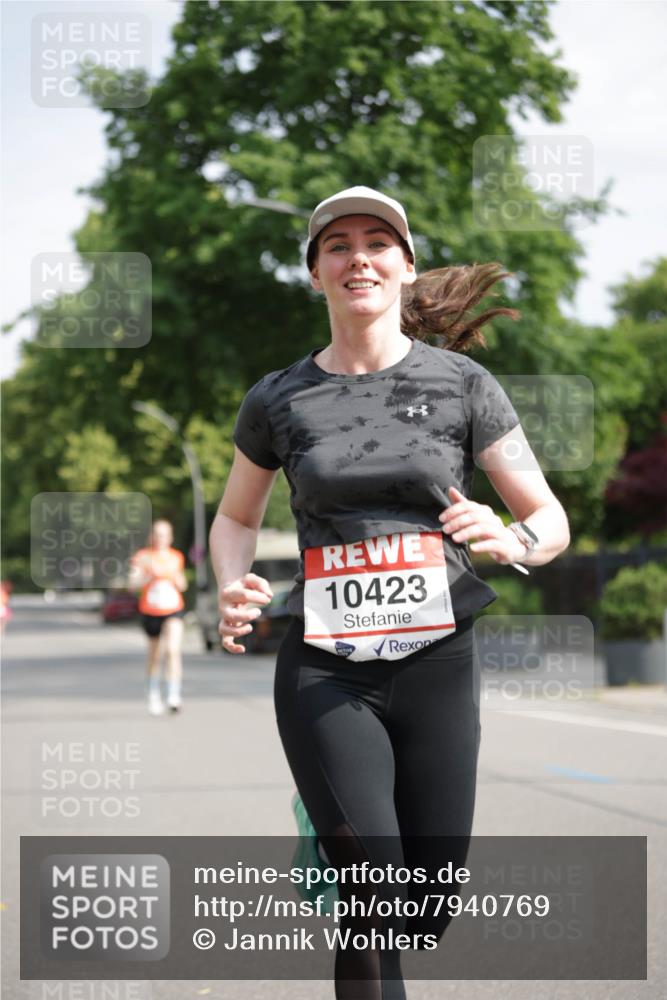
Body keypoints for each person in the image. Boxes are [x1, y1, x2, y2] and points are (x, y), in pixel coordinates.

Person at [209, 186, 570, 998]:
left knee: (424, 904)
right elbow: (235, 519)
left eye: (377, 242)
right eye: (336, 246)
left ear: (404, 268)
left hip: (437, 661)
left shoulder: (462, 384)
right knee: (369, 895)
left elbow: (547, 517)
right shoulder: (276, 397)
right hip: (325, 666)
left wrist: (511, 539)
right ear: (314, 275)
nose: (357, 257)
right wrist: (232, 585)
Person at [129, 519, 188, 715]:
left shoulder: (176, 557)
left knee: (172, 650)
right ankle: (153, 694)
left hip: (173, 609)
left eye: (164, 534)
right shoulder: (142, 557)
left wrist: (174, 577)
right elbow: (132, 584)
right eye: (156, 533)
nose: (160, 538)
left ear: (170, 538)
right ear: (151, 536)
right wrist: (149, 576)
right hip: (151, 610)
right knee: (155, 656)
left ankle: (173, 695)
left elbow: (183, 584)